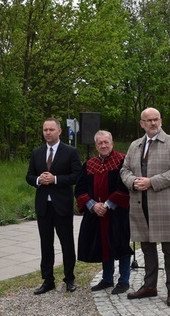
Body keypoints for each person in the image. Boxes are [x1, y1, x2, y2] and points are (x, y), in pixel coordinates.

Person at [120, 107, 170, 307]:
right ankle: (150, 286)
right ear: (142, 123)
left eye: (156, 119)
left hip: (164, 204)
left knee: (169, 248)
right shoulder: (135, 146)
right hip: (141, 203)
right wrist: (132, 182)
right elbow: (125, 169)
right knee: (147, 247)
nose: (153, 123)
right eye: (148, 120)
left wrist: (151, 182)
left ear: (161, 121)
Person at [26, 118, 82, 295]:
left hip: (62, 205)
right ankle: (48, 279)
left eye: (51, 129)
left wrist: (55, 179)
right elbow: (29, 176)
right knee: (46, 243)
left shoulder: (70, 152)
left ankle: (69, 278)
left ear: (59, 131)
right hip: (43, 206)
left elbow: (76, 176)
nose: (47, 133)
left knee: (66, 243)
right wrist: (38, 180)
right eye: (45, 130)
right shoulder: (37, 152)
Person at [75, 130, 133, 295]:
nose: (103, 145)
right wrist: (93, 205)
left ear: (112, 143)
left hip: (118, 213)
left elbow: (125, 187)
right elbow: (79, 189)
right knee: (103, 245)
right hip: (96, 214)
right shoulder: (89, 165)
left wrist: (107, 205)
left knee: (121, 244)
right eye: (100, 143)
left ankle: (124, 280)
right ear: (96, 145)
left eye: (106, 142)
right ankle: (107, 279)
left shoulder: (122, 161)